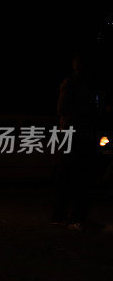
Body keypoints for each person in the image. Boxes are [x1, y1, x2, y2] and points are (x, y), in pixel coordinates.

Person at [53, 55, 97, 228]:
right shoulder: (72, 85)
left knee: (75, 175)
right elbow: (63, 109)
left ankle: (72, 214)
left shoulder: (82, 85)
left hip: (77, 134)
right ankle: (67, 214)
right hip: (74, 134)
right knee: (71, 174)